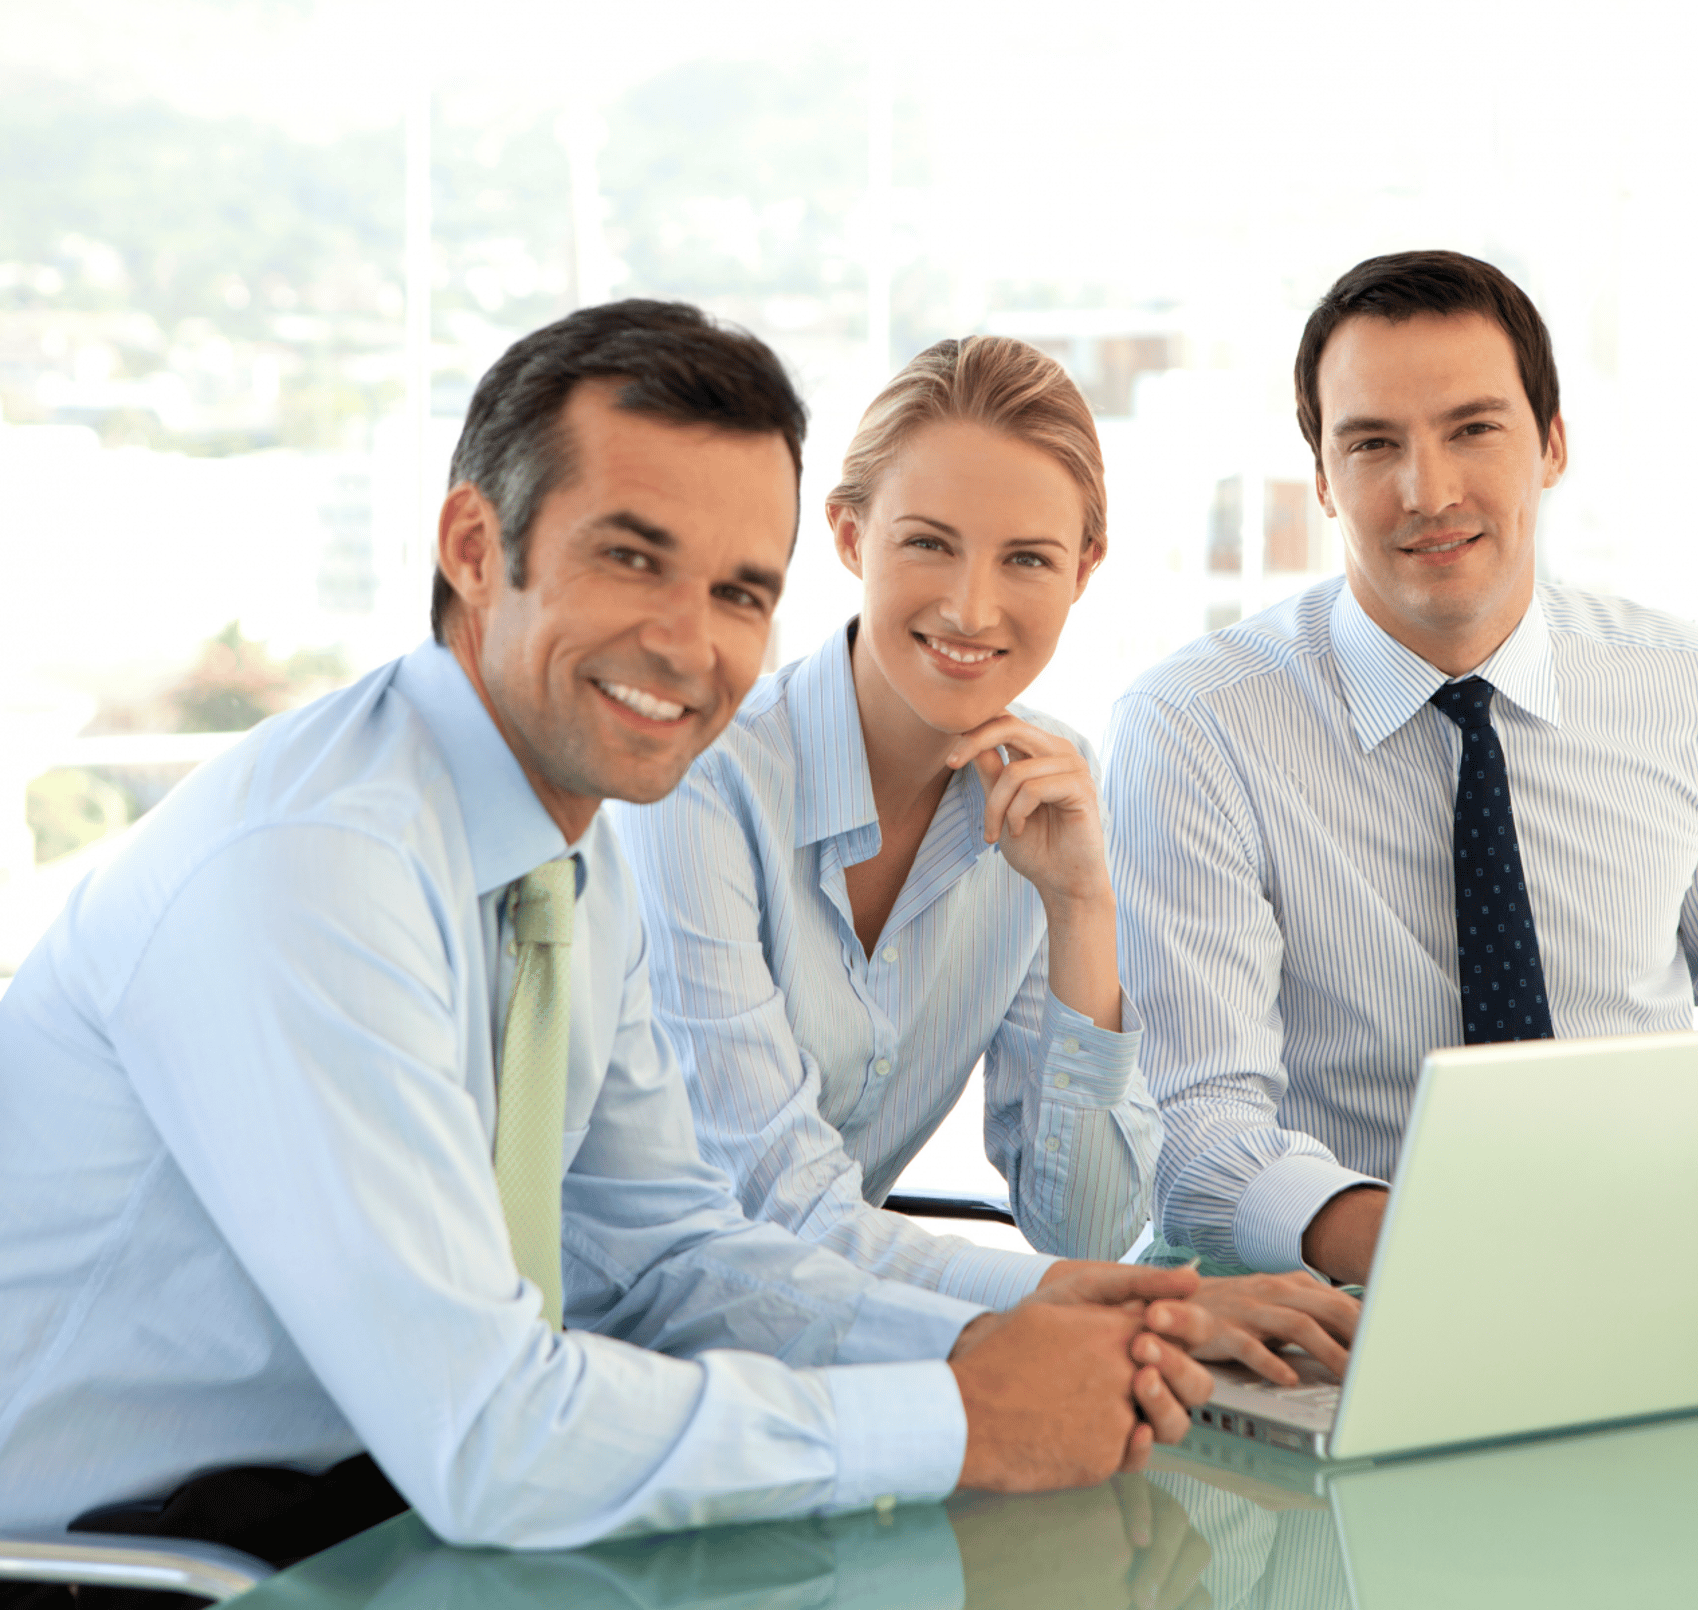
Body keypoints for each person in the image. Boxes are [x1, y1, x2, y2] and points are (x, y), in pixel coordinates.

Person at [0, 301, 1219, 1567]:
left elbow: (677, 1253)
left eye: (739, 590)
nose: (689, 643)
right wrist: (962, 1415)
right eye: (633, 559)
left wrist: (1005, 1341)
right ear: (476, 544)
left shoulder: (561, 849)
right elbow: (488, 1434)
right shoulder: (319, 869)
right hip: (123, 1564)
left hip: (364, 1516)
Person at [616, 336, 1359, 1380]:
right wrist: (1150, 1306)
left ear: (1084, 569)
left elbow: (1086, 1225)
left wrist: (1080, 909)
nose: (972, 607)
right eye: (928, 543)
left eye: (1027, 558)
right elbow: (770, 1207)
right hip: (613, 1364)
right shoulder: (703, 780)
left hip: (826, 1364)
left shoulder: (1039, 795)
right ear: (847, 533)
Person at [1104, 251, 1698, 1285]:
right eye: (1373, 443)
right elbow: (1194, 1122)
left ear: (1552, 445)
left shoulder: (1685, 686)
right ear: (1322, 477)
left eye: (1473, 429)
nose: (1429, 491)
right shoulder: (1194, 727)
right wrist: (1449, 1259)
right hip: (1349, 1299)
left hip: (1656, 1268)